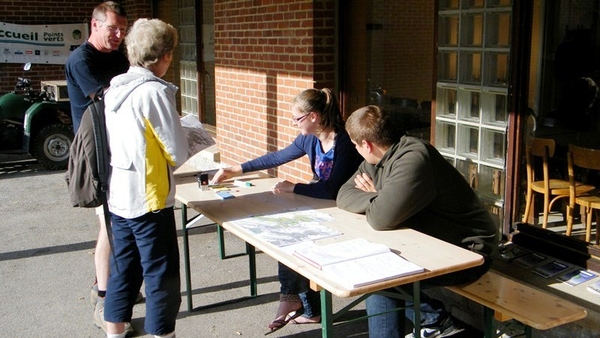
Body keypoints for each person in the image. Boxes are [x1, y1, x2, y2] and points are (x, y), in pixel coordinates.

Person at [336, 105, 498, 338]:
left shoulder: (414, 158)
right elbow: (344, 195)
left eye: (354, 145)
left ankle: (434, 319)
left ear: (367, 145)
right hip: (428, 241)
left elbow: (380, 218)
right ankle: (432, 319)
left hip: (468, 251)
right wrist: (381, 196)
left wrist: (380, 200)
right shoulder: (375, 161)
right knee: (373, 268)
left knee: (380, 275)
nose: (355, 150)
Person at [211, 88, 363, 333]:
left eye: (297, 119)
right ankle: (305, 307)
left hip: (345, 207)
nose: (293, 124)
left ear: (313, 116)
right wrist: (237, 169)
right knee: (288, 239)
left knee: (299, 240)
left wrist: (294, 187)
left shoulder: (343, 140)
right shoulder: (310, 138)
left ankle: (295, 301)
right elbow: (278, 157)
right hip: (321, 203)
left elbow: (332, 190)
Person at [103, 18, 187, 338]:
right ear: (164, 55)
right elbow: (177, 151)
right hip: (150, 198)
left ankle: (113, 333)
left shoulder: (116, 88)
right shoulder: (153, 91)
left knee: (123, 270)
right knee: (161, 276)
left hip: (120, 195)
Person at [64, 1, 137, 334]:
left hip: (121, 146)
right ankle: (104, 297)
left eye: (123, 29)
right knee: (110, 226)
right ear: (94, 25)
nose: (119, 35)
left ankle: (119, 285)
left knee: (123, 222)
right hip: (97, 154)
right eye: (113, 28)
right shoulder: (82, 60)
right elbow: (110, 97)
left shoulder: (118, 56)